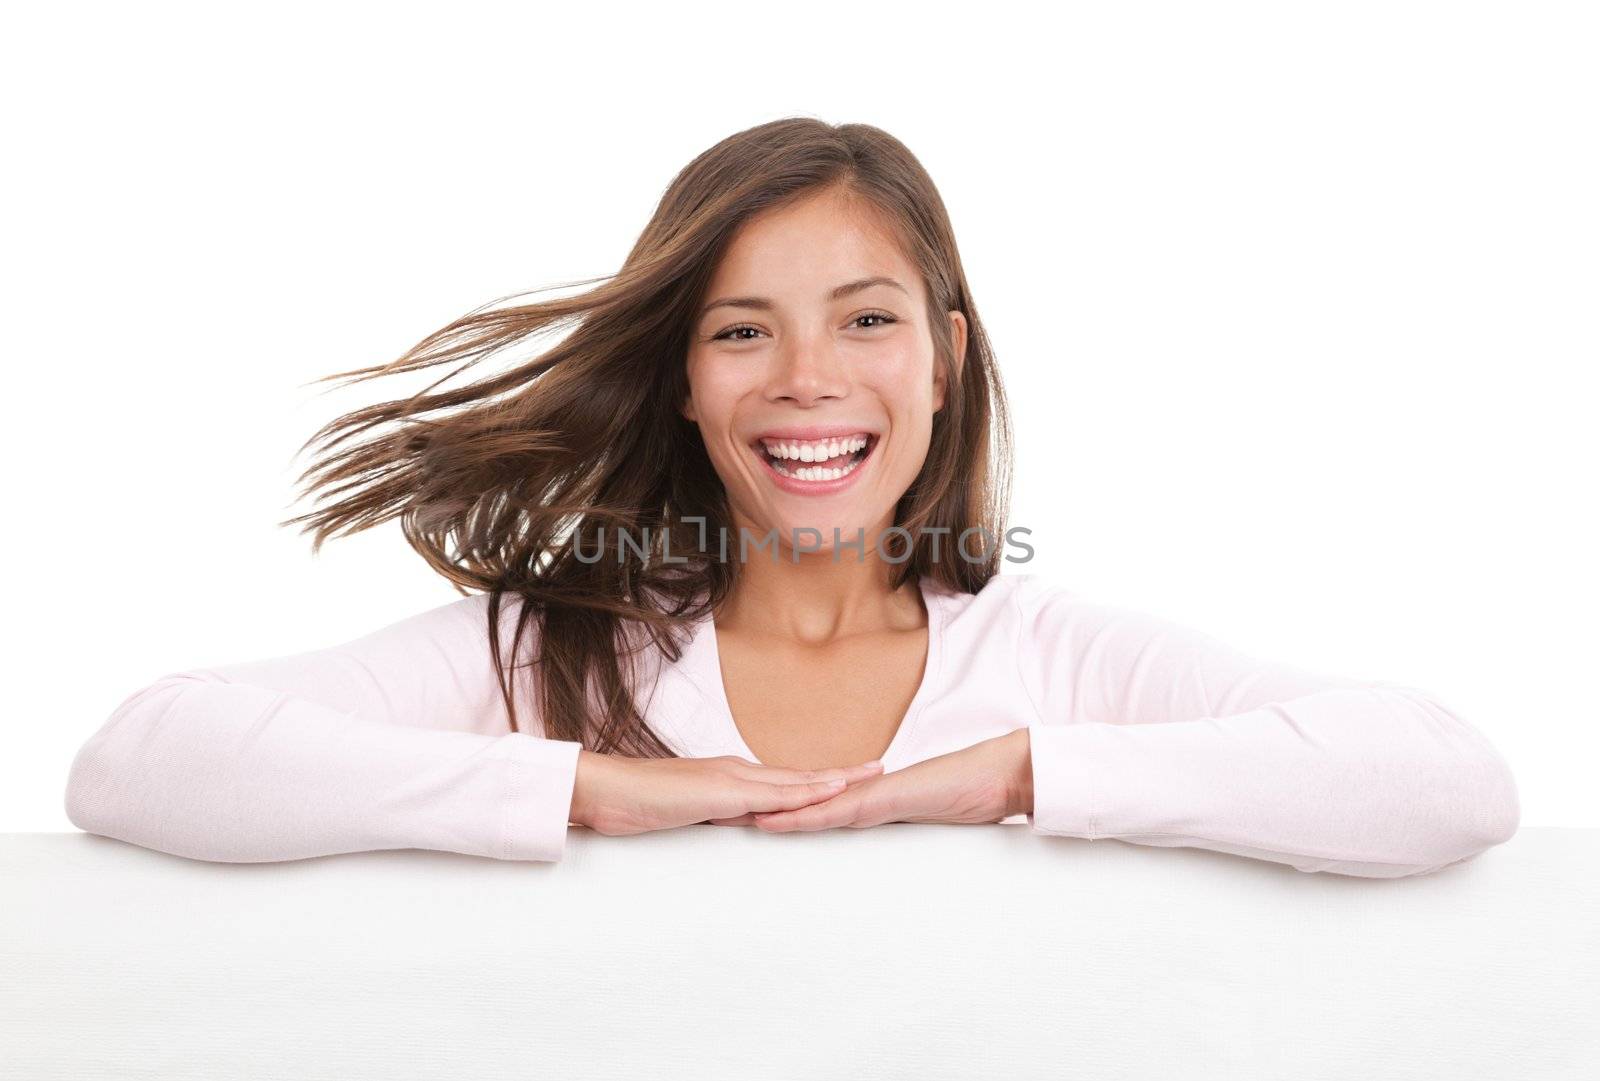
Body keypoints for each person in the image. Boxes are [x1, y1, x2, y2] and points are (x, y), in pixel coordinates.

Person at [63, 118, 1520, 879]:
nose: (806, 379)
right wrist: (584, 788)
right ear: (685, 379)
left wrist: (1019, 774)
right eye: (744, 329)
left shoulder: (1059, 662)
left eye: (867, 320)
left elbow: (1445, 779)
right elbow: (143, 758)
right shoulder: (554, 657)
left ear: (946, 361)